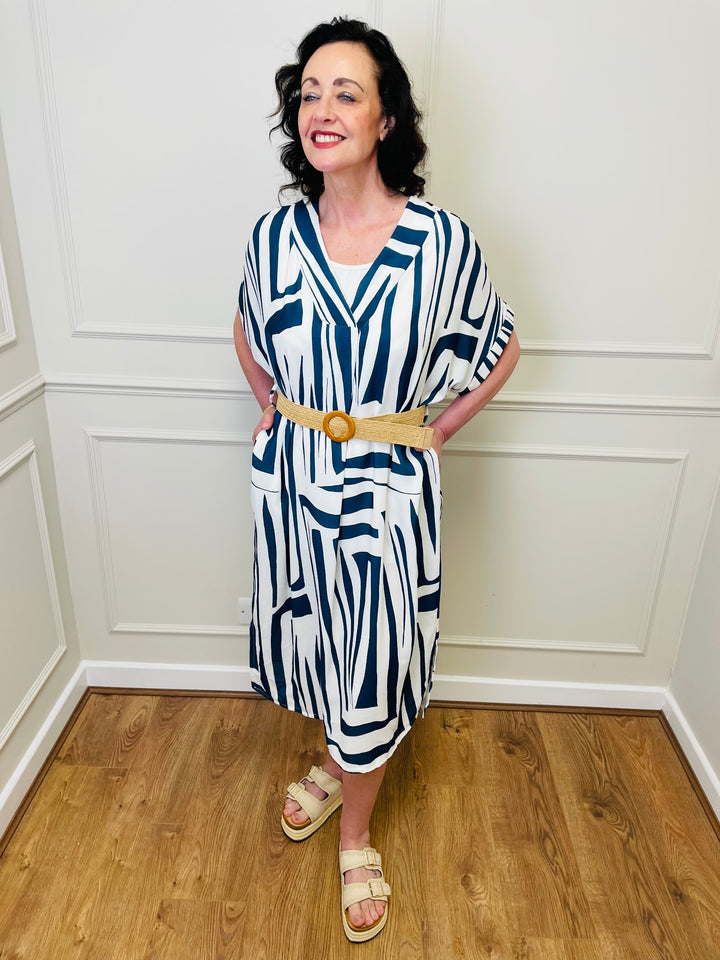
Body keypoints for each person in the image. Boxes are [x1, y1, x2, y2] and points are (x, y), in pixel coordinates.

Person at [233, 17, 520, 943]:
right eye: (309, 93)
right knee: (322, 646)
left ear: (386, 118)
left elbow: (498, 346)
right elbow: (246, 328)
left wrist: (438, 430)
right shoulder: (275, 237)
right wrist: (274, 408)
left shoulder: (440, 242)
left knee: (375, 663)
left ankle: (356, 831)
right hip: (297, 482)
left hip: (389, 492)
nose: (322, 109)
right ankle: (334, 762)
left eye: (346, 93)